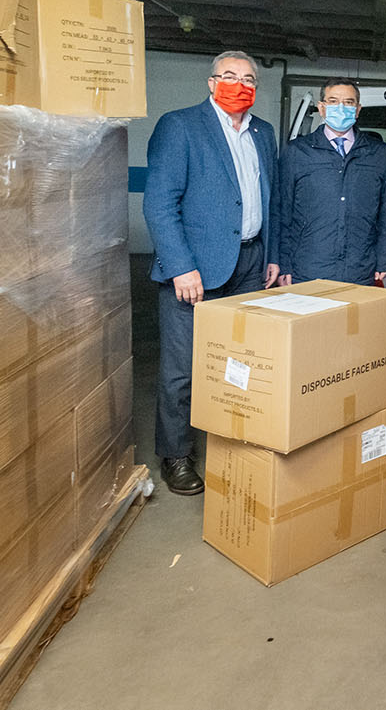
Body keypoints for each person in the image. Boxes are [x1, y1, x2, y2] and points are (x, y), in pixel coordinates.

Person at [142, 51, 279, 496]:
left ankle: (230, 445)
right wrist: (181, 266)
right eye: (229, 76)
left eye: (248, 79)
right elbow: (160, 204)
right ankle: (176, 454)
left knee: (237, 364)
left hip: (249, 264)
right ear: (210, 82)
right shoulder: (180, 126)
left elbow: (268, 199)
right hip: (196, 270)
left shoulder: (263, 133)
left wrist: (271, 255)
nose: (239, 85)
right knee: (182, 369)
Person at [274, 77, 386, 287]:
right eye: (333, 101)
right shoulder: (297, 152)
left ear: (358, 110)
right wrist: (283, 263)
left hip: (360, 267)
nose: (341, 108)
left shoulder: (378, 153)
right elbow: (282, 211)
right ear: (322, 108)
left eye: (349, 103)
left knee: (355, 321)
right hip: (308, 267)